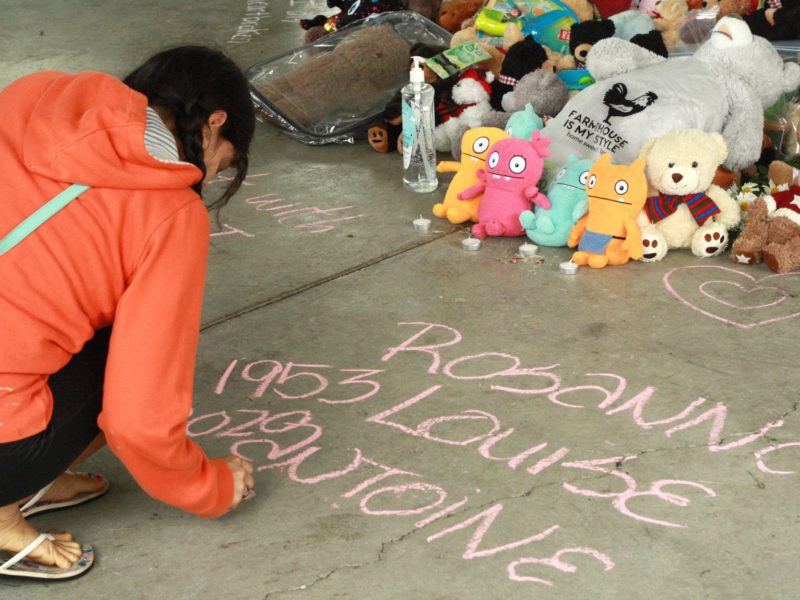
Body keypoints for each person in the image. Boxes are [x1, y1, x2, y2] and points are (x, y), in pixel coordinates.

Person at [0, 46, 257, 580]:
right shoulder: (172, 212)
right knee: (125, 352)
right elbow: (137, 421)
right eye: (223, 163)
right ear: (213, 124)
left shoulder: (33, 97)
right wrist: (209, 486)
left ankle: (30, 480)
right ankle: (4, 506)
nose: (207, 179)